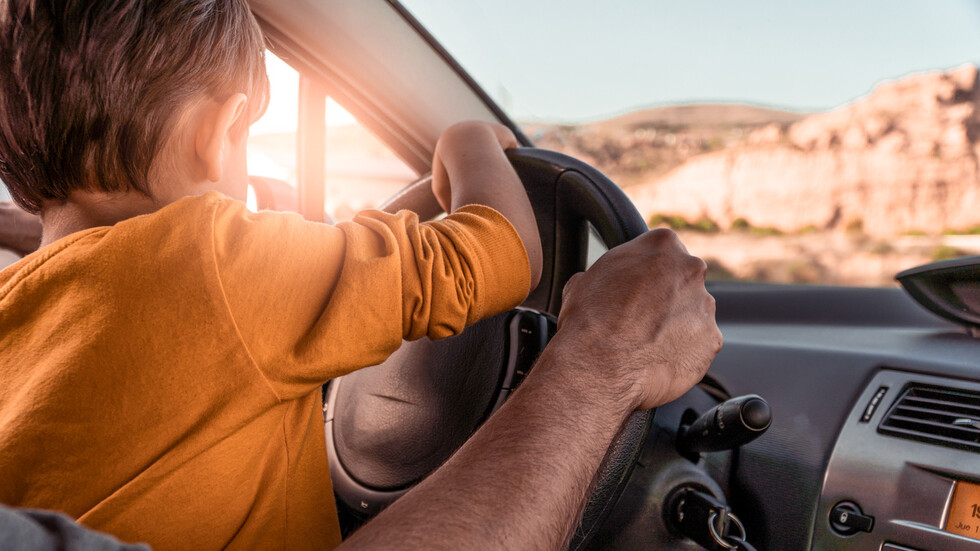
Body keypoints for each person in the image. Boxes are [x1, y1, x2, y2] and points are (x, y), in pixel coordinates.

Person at [0, 1, 721, 550]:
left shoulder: (15, 306)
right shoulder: (215, 255)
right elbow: (502, 249)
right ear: (216, 133)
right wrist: (468, 138)